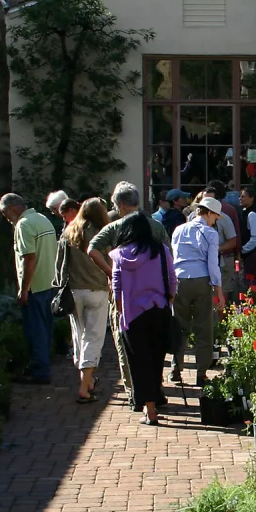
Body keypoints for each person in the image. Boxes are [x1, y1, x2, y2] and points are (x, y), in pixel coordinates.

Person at [89, 182, 169, 394]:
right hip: (155, 294)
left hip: (125, 294)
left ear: (121, 205)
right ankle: (154, 386)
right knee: (154, 343)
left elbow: (92, 249)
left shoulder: (115, 227)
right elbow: (168, 256)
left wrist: (110, 272)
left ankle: (133, 390)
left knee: (126, 343)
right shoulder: (156, 226)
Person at [111, 212, 177, 425]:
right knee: (157, 358)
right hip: (159, 308)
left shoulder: (119, 254)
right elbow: (172, 278)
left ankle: (149, 409)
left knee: (138, 362)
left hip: (132, 314)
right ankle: (156, 397)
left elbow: (116, 286)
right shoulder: (161, 250)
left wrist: (121, 311)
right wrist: (169, 299)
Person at [0, 193, 58, 385]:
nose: (6, 218)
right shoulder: (43, 219)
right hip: (50, 283)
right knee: (45, 328)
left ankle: (40, 371)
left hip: (36, 286)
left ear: (12, 208)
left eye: (5, 213)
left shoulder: (23, 225)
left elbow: (29, 258)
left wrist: (24, 290)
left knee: (35, 330)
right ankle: (43, 365)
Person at [56, 198, 112, 402]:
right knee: (93, 337)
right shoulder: (103, 233)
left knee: (79, 336)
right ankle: (84, 387)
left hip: (74, 291)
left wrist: (60, 285)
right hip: (97, 289)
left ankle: (87, 381)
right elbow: (111, 260)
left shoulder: (69, 231)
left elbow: (59, 264)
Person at [170, 196, 225, 381]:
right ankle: (201, 373)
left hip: (179, 280)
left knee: (179, 327)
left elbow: (174, 256)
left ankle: (175, 369)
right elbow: (212, 264)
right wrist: (219, 291)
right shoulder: (210, 233)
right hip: (201, 280)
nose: (215, 221)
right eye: (215, 217)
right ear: (208, 213)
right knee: (203, 328)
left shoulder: (178, 230)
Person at [204, 180, 241, 301]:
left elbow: (234, 239)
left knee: (221, 294)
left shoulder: (225, 216)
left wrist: (215, 249)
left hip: (223, 258)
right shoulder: (193, 217)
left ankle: (221, 314)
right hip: (202, 261)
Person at [238, 186, 256, 292]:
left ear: (251, 198)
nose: (240, 199)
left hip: (251, 254)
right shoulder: (246, 212)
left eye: (243, 196)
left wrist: (243, 250)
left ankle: (253, 301)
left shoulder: (252, 214)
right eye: (240, 196)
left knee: (251, 284)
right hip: (249, 253)